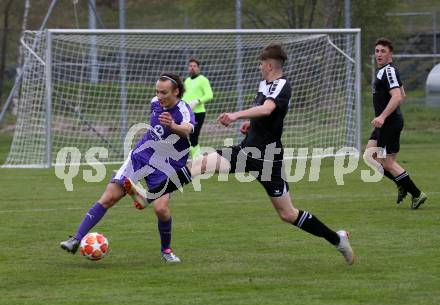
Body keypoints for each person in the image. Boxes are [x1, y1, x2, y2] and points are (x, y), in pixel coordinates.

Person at [125, 43, 355, 265]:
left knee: (287, 213)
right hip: (250, 150)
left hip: (266, 157)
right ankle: (150, 196)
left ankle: (337, 239)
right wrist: (250, 126)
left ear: (270, 65)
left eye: (261, 63)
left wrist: (236, 116)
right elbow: (264, 116)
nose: (259, 67)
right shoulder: (265, 84)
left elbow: (268, 109)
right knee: (200, 164)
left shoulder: (281, 84)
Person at [60, 73, 195, 263]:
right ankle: (76, 239)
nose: (159, 96)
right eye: (157, 91)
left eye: (164, 92)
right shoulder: (155, 103)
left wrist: (173, 125)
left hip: (166, 165)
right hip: (141, 156)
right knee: (109, 197)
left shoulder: (183, 110)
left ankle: (166, 250)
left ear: (176, 91)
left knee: (161, 208)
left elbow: (188, 129)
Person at [364, 38, 427, 209]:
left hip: (388, 123)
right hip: (383, 124)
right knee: (370, 155)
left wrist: (383, 116)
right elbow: (402, 94)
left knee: (388, 163)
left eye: (383, 51)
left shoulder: (389, 71)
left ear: (390, 54)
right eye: (377, 51)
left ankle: (417, 194)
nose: (379, 54)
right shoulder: (384, 71)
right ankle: (402, 184)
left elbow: (398, 96)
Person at [182, 58, 213, 159]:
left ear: (198, 68)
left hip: (198, 113)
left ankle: (197, 160)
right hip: (186, 114)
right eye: (190, 66)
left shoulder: (203, 80)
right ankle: (191, 159)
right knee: (183, 137)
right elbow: (184, 96)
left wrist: (197, 101)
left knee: (193, 137)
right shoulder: (186, 81)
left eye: (194, 66)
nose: (192, 68)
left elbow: (209, 95)